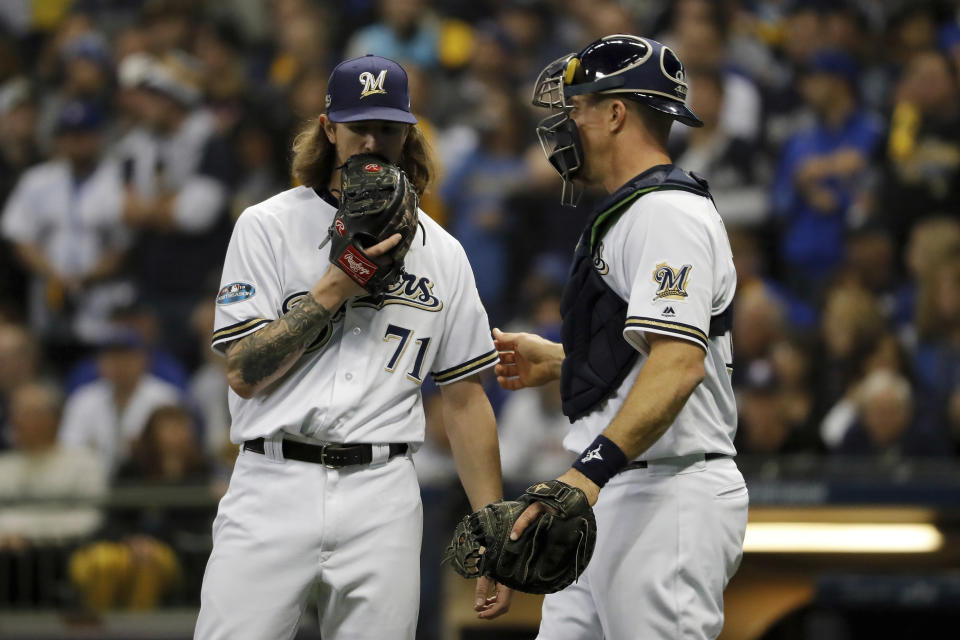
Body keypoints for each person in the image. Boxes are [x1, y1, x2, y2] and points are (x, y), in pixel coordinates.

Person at [194, 55, 510, 640]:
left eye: (387, 128)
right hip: (273, 478)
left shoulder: (442, 253)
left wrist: (490, 528)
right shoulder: (266, 226)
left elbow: (465, 399)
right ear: (328, 128)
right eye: (357, 125)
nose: (371, 141)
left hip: (382, 491)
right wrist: (340, 282)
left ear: (406, 135)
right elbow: (242, 370)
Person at [494, 35, 748, 639]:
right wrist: (562, 360)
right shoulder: (638, 210)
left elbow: (680, 365)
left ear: (614, 113)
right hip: (615, 490)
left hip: (665, 491)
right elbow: (648, 354)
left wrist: (586, 476)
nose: (566, 124)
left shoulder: (668, 213)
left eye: (577, 107)